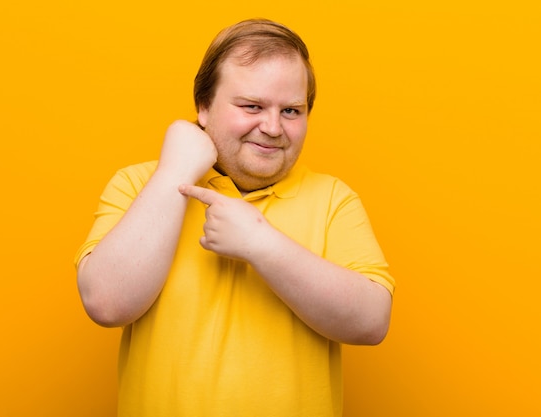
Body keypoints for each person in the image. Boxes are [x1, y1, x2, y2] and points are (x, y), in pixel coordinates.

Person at [74, 18, 395, 417]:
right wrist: (173, 174)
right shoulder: (139, 185)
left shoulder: (334, 200)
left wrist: (262, 243)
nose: (273, 127)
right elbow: (106, 303)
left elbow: (371, 322)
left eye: (292, 110)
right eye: (252, 106)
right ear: (203, 107)